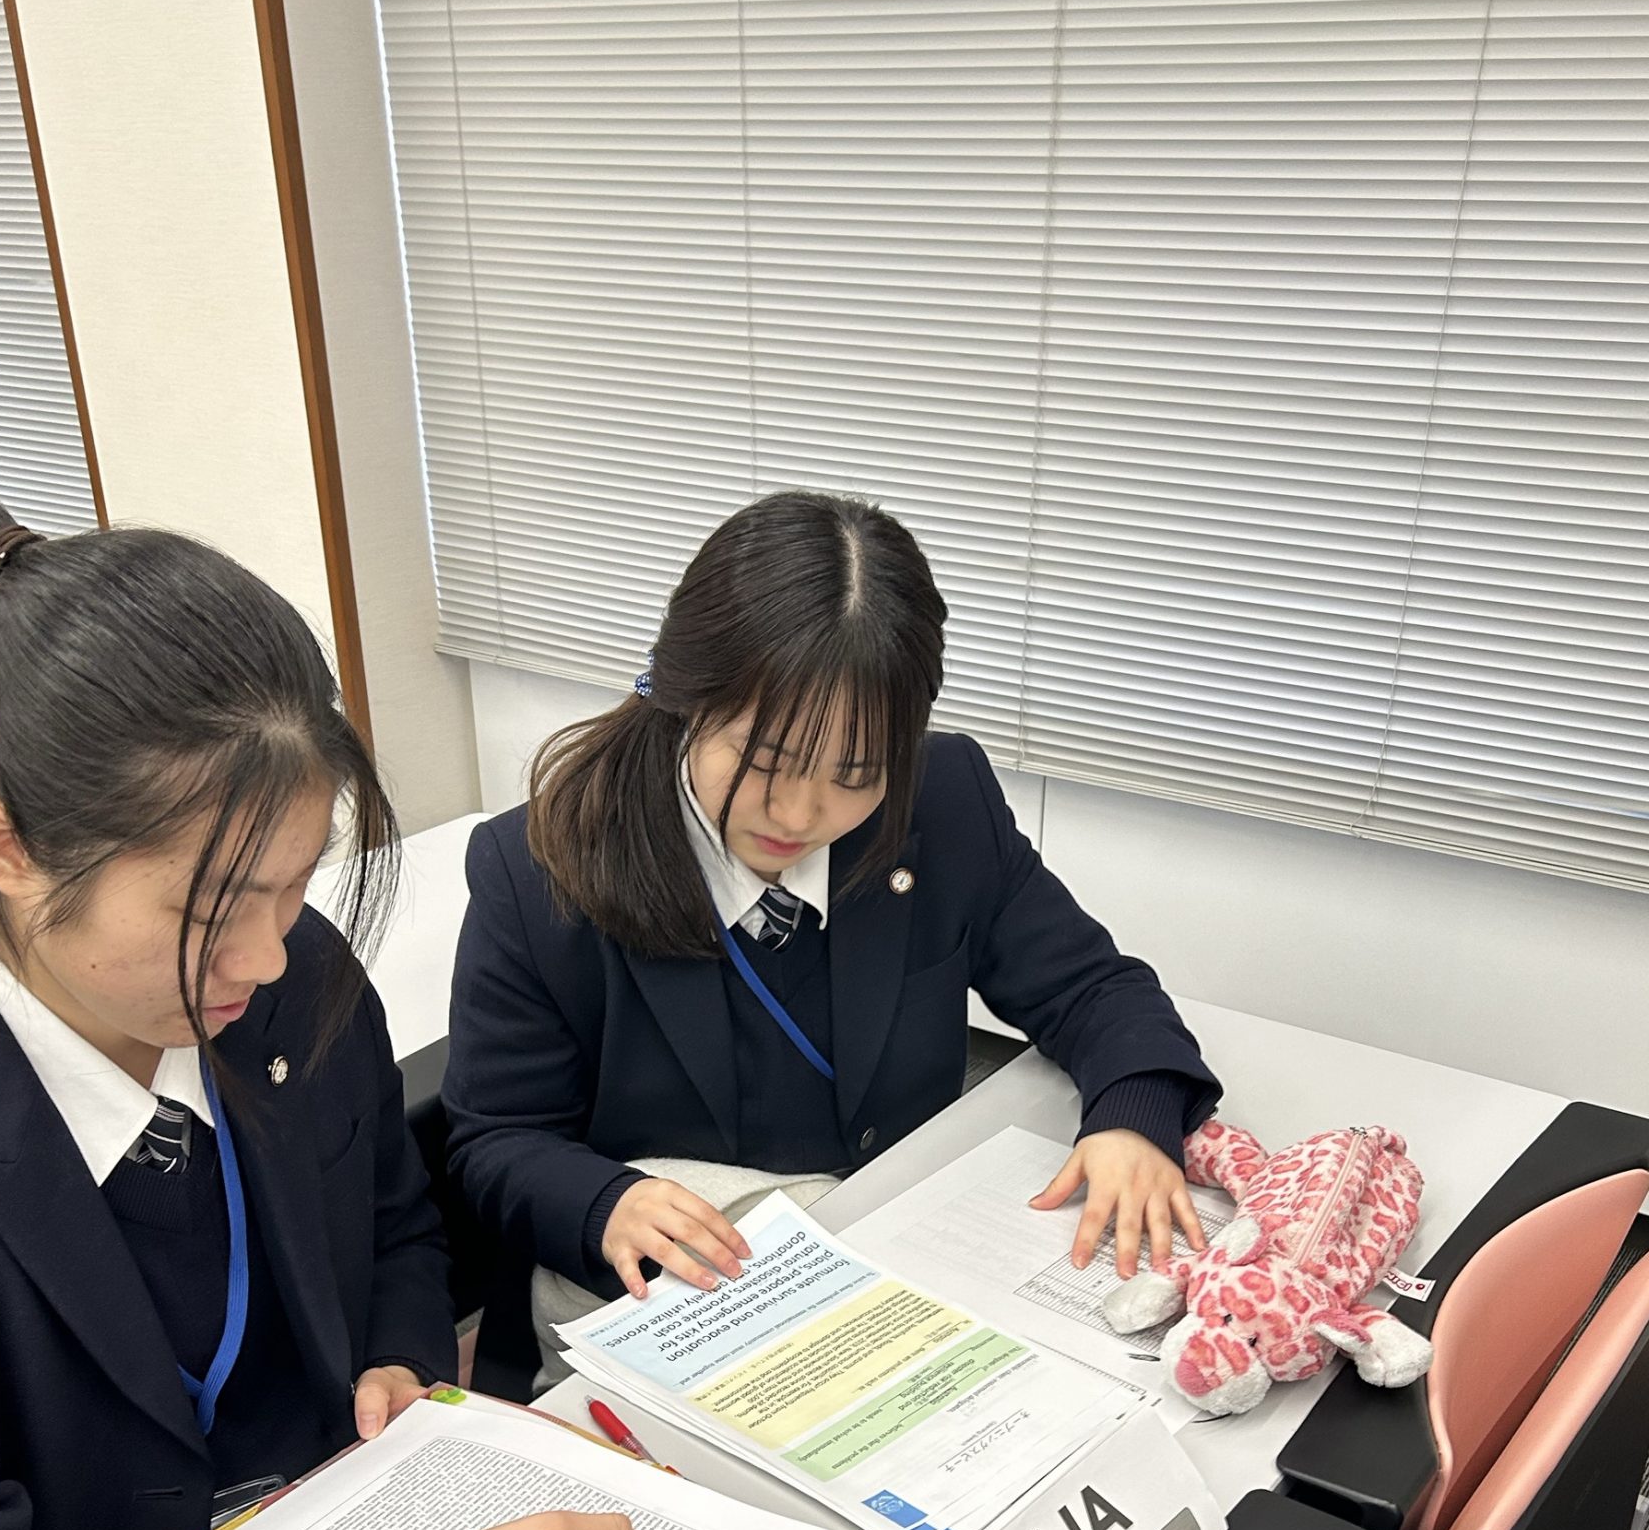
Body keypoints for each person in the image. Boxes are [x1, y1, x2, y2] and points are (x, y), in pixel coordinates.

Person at [0, 495, 671, 1530]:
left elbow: (393, 1222)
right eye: (212, 909)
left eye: (295, 884)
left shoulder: (291, 988)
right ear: (4, 850)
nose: (268, 956)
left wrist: (403, 1359)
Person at [444, 489, 1220, 1351]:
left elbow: (1092, 989)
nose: (800, 814)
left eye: (856, 774)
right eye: (764, 761)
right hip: (678, 1311)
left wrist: (1130, 1117)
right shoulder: (540, 867)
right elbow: (497, 1141)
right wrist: (605, 1204)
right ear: (682, 695)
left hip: (895, 1272)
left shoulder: (943, 799)